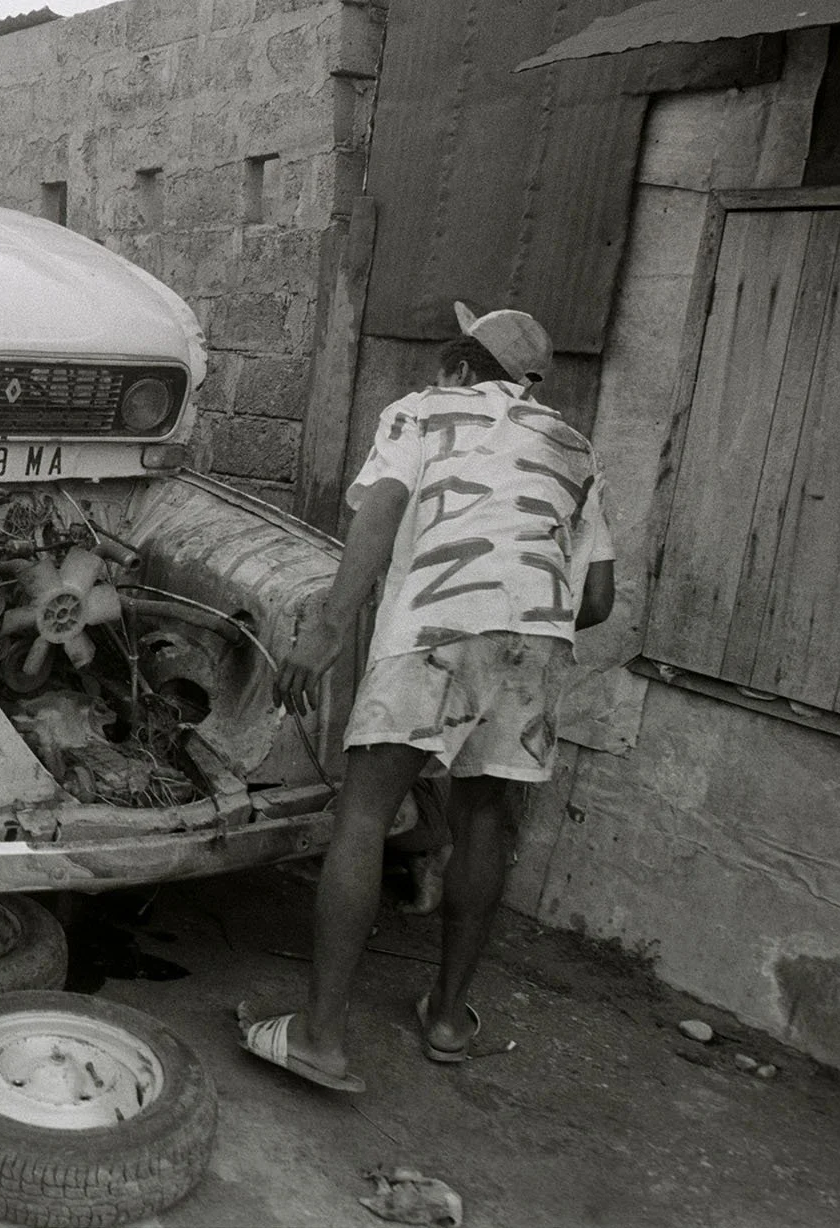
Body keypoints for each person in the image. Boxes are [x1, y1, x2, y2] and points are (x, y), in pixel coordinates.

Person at [246, 302, 615, 1093]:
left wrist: (327, 627)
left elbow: (378, 513)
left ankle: (320, 1036)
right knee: (486, 814)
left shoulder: (421, 409)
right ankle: (446, 1018)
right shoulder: (571, 447)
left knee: (365, 812)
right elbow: (596, 600)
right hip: (537, 640)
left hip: (436, 627)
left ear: (457, 367)